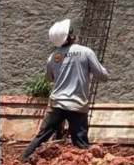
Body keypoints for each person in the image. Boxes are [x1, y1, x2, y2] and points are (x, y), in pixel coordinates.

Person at [19, 19, 110, 163]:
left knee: (42, 136)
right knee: (80, 144)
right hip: (77, 105)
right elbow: (103, 76)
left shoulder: (53, 57)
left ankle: (23, 159)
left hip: (56, 104)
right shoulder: (85, 52)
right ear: (71, 36)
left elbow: (49, 78)